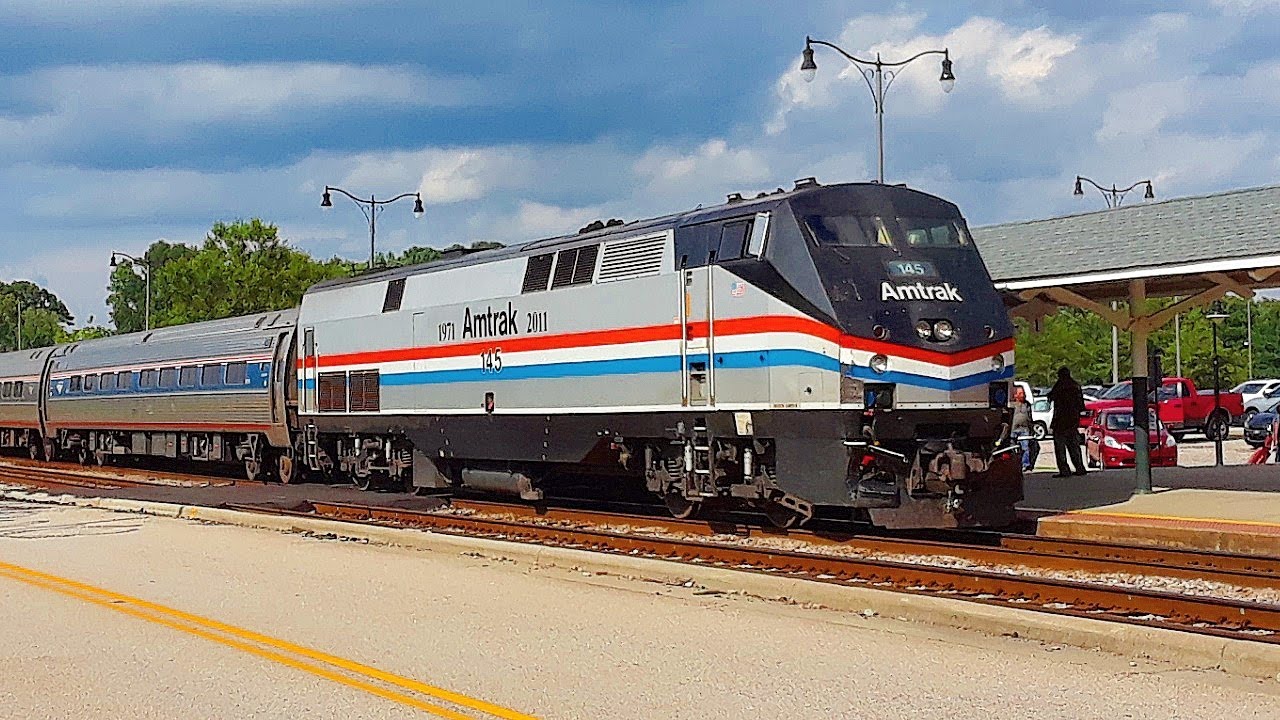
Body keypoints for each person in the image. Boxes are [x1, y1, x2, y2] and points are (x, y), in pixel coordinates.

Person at [1047, 367, 1087, 477]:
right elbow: (1081, 405)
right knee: (1074, 445)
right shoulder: (1075, 386)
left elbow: (1051, 396)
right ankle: (1079, 467)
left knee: (1060, 446)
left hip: (1060, 420)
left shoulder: (1060, 386)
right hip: (1072, 420)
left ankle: (1064, 470)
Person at [1010, 386, 1039, 471]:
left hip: (1024, 430)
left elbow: (1030, 417)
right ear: (1015, 395)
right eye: (1020, 393)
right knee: (1012, 448)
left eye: (1023, 393)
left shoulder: (1027, 405)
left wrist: (1032, 429)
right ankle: (1014, 465)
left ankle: (1025, 465)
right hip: (1013, 430)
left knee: (1025, 448)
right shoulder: (1011, 404)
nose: (1023, 395)